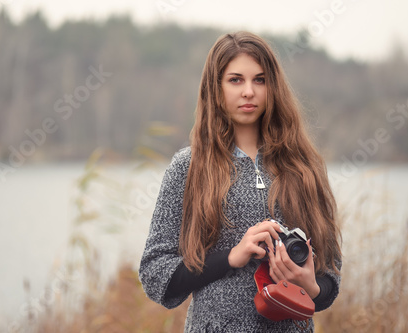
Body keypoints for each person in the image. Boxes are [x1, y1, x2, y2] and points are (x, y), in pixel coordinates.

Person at [139, 31, 342, 332]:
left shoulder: (304, 166)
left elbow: (331, 276)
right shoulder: (189, 166)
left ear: (273, 87)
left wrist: (309, 286)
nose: (249, 91)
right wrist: (231, 257)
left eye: (259, 80)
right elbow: (156, 276)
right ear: (216, 88)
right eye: (235, 80)